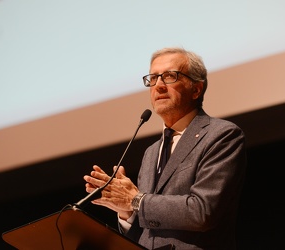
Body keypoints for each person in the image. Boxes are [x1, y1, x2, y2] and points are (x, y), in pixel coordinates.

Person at [83, 47, 247, 250]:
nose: (158, 86)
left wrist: (135, 200)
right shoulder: (152, 152)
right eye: (153, 78)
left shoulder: (221, 135)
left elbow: (202, 211)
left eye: (170, 76)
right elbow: (145, 232)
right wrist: (126, 212)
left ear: (196, 89)